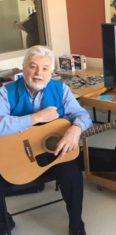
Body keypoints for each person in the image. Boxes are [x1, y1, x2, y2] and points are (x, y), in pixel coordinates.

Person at [0, 45, 92, 235]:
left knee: (73, 174)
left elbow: (82, 115)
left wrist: (76, 128)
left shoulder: (61, 90)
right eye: (33, 67)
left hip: (52, 155)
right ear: (23, 67)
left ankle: (76, 225)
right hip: (16, 159)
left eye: (44, 68)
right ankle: (4, 225)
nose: (38, 73)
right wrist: (35, 118)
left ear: (51, 72)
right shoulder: (5, 93)